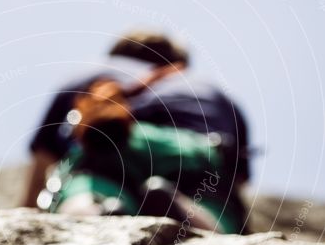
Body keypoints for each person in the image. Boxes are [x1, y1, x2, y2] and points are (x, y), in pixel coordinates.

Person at [22, 31, 251, 232]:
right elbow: (237, 182)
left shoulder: (91, 73)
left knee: (91, 182)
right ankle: (183, 211)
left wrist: (27, 221)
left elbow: (43, 161)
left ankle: (96, 211)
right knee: (208, 199)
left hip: (115, 140)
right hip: (194, 149)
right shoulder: (210, 89)